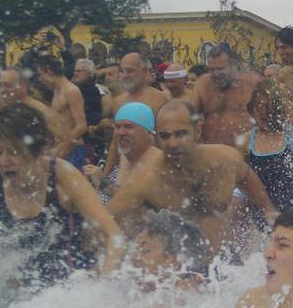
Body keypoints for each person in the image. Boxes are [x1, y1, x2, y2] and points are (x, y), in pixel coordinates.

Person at [0, 104, 124, 284]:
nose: (4, 161)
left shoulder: (63, 177)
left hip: (75, 288)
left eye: (14, 152)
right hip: (20, 300)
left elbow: (114, 236)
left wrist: (104, 286)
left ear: (37, 151)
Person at [108, 100, 277, 256]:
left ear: (197, 130)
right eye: (165, 136)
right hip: (178, 271)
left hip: (224, 264)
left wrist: (268, 211)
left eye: (180, 134)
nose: (173, 143)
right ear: (156, 137)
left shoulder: (224, 160)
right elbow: (105, 221)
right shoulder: (146, 179)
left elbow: (246, 177)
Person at [238, 80, 293, 212]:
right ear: (252, 109)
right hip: (261, 212)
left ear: (277, 108)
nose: (264, 112)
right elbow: (240, 181)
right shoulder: (245, 140)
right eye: (259, 105)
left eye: (269, 106)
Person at [83, 102, 161, 203]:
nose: (121, 133)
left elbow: (141, 206)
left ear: (148, 132)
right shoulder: (123, 157)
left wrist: (103, 183)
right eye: (118, 127)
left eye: (128, 127)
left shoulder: (157, 163)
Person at [190, 43, 260, 146]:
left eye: (220, 69)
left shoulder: (252, 84)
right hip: (213, 152)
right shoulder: (203, 84)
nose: (215, 74)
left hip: (244, 153)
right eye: (212, 69)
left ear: (233, 65)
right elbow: (190, 118)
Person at [132, 211, 210, 293]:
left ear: (172, 260)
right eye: (136, 248)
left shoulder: (185, 297)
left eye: (145, 251)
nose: (135, 256)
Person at [34, 54, 90, 169]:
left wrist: (62, 147)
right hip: (61, 150)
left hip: (73, 150)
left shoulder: (71, 91)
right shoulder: (56, 91)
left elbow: (81, 126)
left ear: (49, 72)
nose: (40, 79)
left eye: (40, 74)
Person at [72, 59, 110, 163]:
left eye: (79, 71)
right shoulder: (75, 89)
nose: (76, 73)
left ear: (89, 73)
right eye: (75, 71)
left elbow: (91, 116)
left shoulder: (92, 91)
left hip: (87, 141)